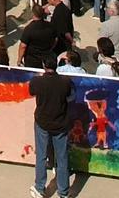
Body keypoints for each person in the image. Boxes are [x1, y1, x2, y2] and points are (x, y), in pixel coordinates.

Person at [28, 53, 73, 198]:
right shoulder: (65, 81)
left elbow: (31, 92)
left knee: (41, 155)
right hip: (60, 123)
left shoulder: (37, 81)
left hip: (43, 122)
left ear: (43, 65)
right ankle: (64, 192)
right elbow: (71, 97)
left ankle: (40, 188)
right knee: (62, 158)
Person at [18, 4, 56, 69]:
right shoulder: (50, 26)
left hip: (32, 61)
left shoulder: (29, 29)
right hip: (46, 59)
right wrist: (50, 49)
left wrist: (19, 59)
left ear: (33, 14)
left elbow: (23, 46)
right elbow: (55, 39)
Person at [99, 0, 119, 67]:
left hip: (114, 60)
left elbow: (101, 44)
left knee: (97, 56)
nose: (105, 9)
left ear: (112, 11)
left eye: (107, 8)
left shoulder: (106, 25)